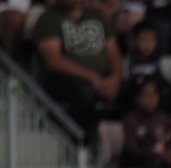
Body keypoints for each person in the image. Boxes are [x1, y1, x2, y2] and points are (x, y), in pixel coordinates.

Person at [33, 0, 122, 135]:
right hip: (66, 79)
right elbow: (54, 61)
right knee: (83, 92)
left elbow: (114, 54)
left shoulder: (97, 16)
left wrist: (115, 78)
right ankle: (81, 140)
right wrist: (92, 77)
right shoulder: (49, 18)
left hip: (104, 79)